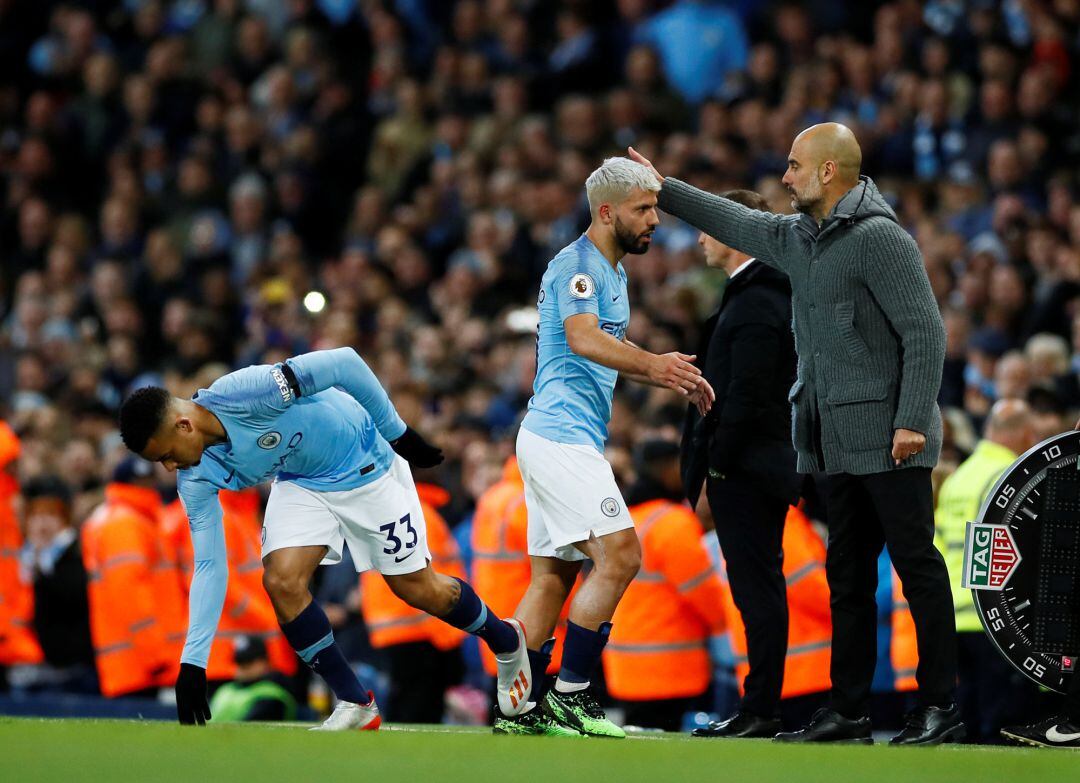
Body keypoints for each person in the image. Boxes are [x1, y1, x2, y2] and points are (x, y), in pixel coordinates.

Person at [630, 122, 963, 745]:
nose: (784, 178)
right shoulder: (798, 239)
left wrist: (912, 420)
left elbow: (925, 333)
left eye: (792, 166)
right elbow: (733, 221)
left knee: (917, 569)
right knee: (849, 580)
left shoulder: (881, 240)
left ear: (828, 172)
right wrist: (664, 189)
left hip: (893, 440)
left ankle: (940, 704)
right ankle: (850, 709)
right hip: (833, 443)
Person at [118, 346, 532, 729]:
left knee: (418, 589)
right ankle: (356, 702)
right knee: (281, 581)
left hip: (365, 462)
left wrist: (398, 433)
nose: (169, 467)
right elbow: (209, 564)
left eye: (165, 455)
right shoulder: (195, 478)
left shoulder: (246, 393)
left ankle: (507, 640)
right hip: (302, 480)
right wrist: (193, 663)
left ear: (184, 424)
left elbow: (346, 364)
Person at [500, 156, 714, 738]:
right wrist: (657, 364)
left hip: (556, 436)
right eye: (644, 209)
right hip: (561, 437)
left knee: (552, 577)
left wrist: (664, 372)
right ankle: (571, 695)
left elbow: (601, 343)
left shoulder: (612, 271)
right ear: (606, 211)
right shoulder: (579, 267)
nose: (654, 220)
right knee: (621, 557)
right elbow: (583, 337)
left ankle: (516, 708)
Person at [679, 188, 801, 739]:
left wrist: (717, 467)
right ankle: (761, 706)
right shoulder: (759, 293)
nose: (702, 236)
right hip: (753, 465)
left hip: (747, 470)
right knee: (757, 588)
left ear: (732, 232)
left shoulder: (756, 299)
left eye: (709, 226)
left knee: (756, 589)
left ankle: (761, 709)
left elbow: (748, 397)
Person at [936, 400, 1041, 743]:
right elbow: (1003, 554)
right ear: (1024, 433)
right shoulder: (1008, 478)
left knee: (967, 714)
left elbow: (939, 542)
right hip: (992, 616)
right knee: (999, 725)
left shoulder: (959, 476)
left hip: (953, 610)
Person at [603, 439, 726, 732]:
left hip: (624, 667)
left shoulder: (625, 522)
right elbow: (705, 595)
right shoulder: (672, 524)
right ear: (671, 469)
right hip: (670, 670)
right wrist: (726, 624)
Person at [360, 481, 466, 723]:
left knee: (404, 704)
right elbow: (431, 581)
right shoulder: (421, 515)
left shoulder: (392, 511)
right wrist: (447, 635)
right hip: (420, 628)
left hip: (393, 625)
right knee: (421, 708)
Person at [82, 458, 184, 697]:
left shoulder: (135, 519)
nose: (149, 487)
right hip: (141, 665)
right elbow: (130, 595)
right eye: (143, 481)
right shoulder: (124, 524)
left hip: (136, 662)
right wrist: (156, 657)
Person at [21, 476, 96, 693]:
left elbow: (74, 596)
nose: (42, 523)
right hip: (27, 661)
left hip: (72, 669)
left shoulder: (77, 554)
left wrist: (41, 573)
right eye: (35, 515)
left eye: (51, 515)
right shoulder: (19, 559)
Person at [208, 634, 298, 722]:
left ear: (264, 662)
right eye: (239, 662)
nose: (241, 668)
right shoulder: (225, 689)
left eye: (248, 662)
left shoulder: (271, 694)